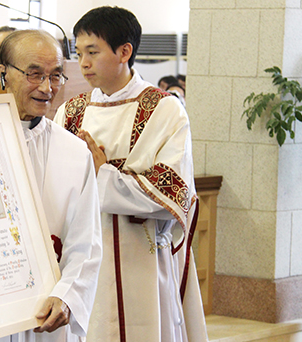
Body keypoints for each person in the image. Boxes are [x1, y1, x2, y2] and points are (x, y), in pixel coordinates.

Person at [0, 29, 103, 342]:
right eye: (34, 74)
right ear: (3, 74)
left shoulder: (73, 151)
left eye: (55, 76)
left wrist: (68, 296)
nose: (47, 87)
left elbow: (87, 242)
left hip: (45, 313)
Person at [53, 7, 207, 342]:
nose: (84, 63)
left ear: (125, 51)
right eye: (79, 54)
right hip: (81, 259)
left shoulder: (164, 110)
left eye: (93, 52)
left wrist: (100, 174)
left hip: (140, 257)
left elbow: (173, 193)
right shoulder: (71, 112)